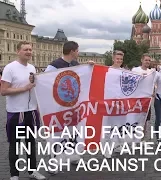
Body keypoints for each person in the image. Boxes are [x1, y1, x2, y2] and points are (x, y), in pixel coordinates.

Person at [44, 41, 94, 174]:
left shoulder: (76, 65)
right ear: (72, 51)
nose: (78, 53)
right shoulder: (54, 66)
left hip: (74, 107)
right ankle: (53, 163)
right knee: (57, 135)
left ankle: (73, 156)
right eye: (77, 51)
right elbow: (45, 84)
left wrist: (88, 67)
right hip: (58, 107)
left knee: (73, 132)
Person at [1, 41, 46, 180]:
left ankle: (32, 171)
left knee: (31, 143)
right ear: (18, 51)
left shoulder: (32, 67)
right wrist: (24, 88)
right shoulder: (10, 68)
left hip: (31, 111)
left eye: (30, 49)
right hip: (16, 112)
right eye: (25, 49)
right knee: (15, 144)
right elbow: (3, 91)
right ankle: (14, 175)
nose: (29, 52)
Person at [131, 53, 153, 146]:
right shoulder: (135, 70)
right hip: (136, 99)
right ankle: (133, 139)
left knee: (145, 120)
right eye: (146, 60)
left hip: (147, 100)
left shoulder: (152, 72)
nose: (147, 62)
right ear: (142, 60)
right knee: (134, 119)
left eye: (149, 60)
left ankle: (142, 139)